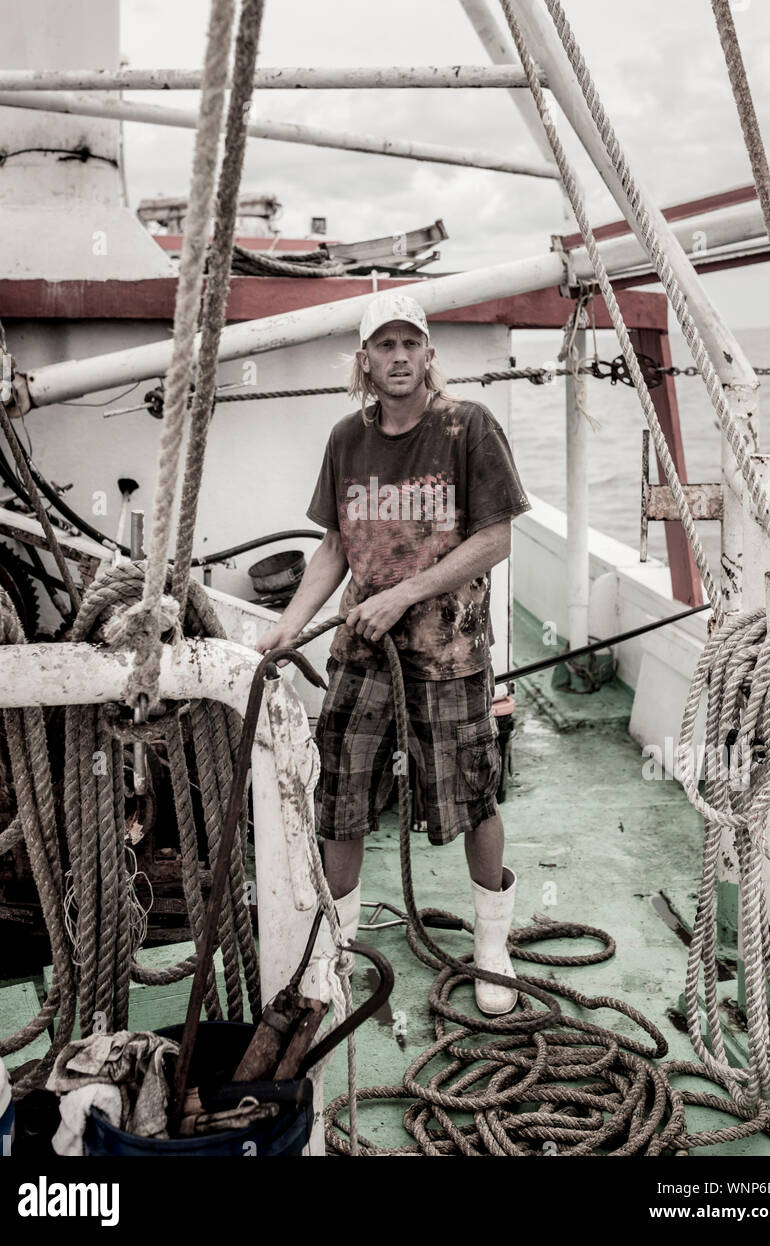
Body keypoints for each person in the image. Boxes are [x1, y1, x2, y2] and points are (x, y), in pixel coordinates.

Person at [257, 291, 531, 1014]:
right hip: (363, 647)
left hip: (449, 650)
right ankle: (338, 956)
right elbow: (335, 547)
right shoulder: (348, 437)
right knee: (339, 796)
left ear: (429, 356)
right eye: (385, 345)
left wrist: (404, 593)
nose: (400, 357)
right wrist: (291, 623)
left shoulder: (467, 426)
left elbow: (495, 538)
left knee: (472, 796)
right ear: (365, 361)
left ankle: (491, 945)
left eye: (412, 343)